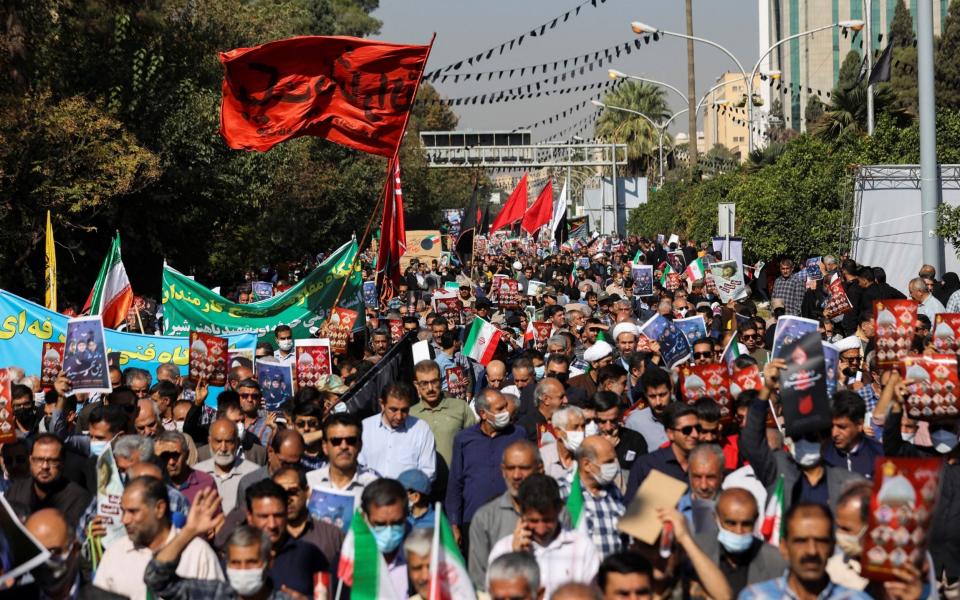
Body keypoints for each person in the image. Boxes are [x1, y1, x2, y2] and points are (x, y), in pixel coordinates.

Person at [740, 360, 865, 513]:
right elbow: (751, 439)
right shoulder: (777, 469)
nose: (805, 441)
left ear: (826, 438)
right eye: (798, 435)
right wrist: (767, 388)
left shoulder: (846, 482)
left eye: (812, 436)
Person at [145, 489, 301, 599]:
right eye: (236, 563)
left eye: (251, 562)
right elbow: (156, 579)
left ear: (270, 561)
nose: (243, 570)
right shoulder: (214, 595)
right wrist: (189, 531)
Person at [95, 477, 223, 600]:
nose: (125, 520)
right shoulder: (114, 554)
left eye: (133, 512)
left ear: (159, 508)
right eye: (123, 511)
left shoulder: (197, 552)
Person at [488, 474, 600, 598]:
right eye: (533, 521)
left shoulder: (583, 548)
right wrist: (517, 558)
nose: (541, 530)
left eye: (547, 520)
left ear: (559, 509)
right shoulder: (503, 550)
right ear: (521, 513)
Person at [446, 388, 527, 549]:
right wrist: (454, 523)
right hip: (474, 518)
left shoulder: (518, 434)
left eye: (505, 407)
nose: (506, 412)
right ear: (483, 414)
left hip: (511, 518)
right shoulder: (464, 439)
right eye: (500, 409)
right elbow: (456, 482)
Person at [739, 503, 871, 599]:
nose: (811, 551)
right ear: (784, 547)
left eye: (821, 541)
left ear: (832, 547)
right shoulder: (755, 597)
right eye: (801, 541)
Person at [468, 440, 542, 590]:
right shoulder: (484, 518)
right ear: (502, 470)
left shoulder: (559, 515)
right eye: (510, 468)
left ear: (540, 469)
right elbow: (479, 580)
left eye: (524, 468)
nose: (516, 475)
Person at [238, 479, 331, 597]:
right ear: (250, 517)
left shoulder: (311, 555)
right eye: (264, 516)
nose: (272, 525)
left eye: (278, 515)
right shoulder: (235, 558)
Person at [689, 488, 786, 597]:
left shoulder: (775, 561)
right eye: (731, 523)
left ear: (756, 520)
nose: (738, 531)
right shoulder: (696, 550)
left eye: (746, 524)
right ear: (716, 518)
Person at [559, 436, 626, 557]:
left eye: (614, 460)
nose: (614, 466)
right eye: (608, 462)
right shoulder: (563, 492)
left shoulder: (613, 490)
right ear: (586, 465)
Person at [5, 433, 90, 526]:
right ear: (31, 461)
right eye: (39, 460)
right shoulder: (14, 492)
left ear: (62, 462)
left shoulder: (79, 499)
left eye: (52, 461)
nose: (45, 466)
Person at [359, 382, 437, 480]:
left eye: (404, 410)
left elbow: (428, 472)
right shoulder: (365, 427)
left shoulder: (421, 429)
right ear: (382, 404)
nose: (399, 416)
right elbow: (358, 467)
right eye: (393, 410)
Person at [271, 466, 344, 568]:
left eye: (292, 492)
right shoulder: (267, 536)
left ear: (307, 492)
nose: (287, 499)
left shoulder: (333, 536)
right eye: (280, 493)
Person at [625, 402, 701, 502]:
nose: (695, 434)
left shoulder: (707, 462)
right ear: (670, 434)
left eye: (698, 428)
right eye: (686, 430)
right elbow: (633, 513)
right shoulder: (647, 466)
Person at [410, 360, 477, 468]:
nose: (430, 388)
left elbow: (475, 443)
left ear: (441, 381)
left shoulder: (460, 407)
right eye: (424, 383)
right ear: (416, 385)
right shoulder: (411, 415)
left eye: (434, 382)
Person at [194, 418, 261, 514]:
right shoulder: (196, 473)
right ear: (209, 441)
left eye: (229, 442)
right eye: (218, 441)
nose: (223, 448)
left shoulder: (254, 474)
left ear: (237, 442)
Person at [359, 478, 412, 596]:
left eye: (397, 523)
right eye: (380, 524)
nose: (389, 531)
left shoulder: (421, 562)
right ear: (364, 518)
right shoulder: (349, 561)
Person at [306, 413, 379, 498]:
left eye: (351, 440)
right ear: (325, 446)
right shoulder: (309, 482)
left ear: (360, 445)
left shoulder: (375, 486)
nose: (344, 446)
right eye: (336, 441)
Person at [822, 391, 883, 479]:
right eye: (831, 426)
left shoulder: (878, 455)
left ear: (859, 425)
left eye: (841, 427)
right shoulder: (823, 454)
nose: (834, 433)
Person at [591, 392, 647, 475]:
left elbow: (642, 474)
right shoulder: (587, 443)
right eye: (602, 422)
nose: (608, 427)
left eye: (613, 421)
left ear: (620, 416)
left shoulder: (635, 440)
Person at [677, 443, 724, 535]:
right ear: (689, 474)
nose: (704, 486)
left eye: (710, 477)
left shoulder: (734, 510)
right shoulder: (675, 508)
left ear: (721, 475)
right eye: (697, 477)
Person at [623, 368, 673, 450]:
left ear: (671, 390)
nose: (658, 402)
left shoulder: (686, 416)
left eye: (662, 395)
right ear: (645, 395)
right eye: (652, 396)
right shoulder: (634, 422)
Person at [517, 378, 567, 446]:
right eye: (561, 397)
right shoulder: (525, 427)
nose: (566, 400)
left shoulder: (565, 421)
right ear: (546, 399)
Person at [540, 406, 585, 481]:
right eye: (575, 427)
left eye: (583, 426)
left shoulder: (589, 455)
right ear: (558, 432)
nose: (581, 432)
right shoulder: (543, 458)